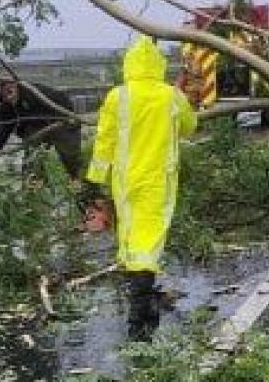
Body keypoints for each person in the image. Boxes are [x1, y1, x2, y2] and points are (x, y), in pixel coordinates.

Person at [85, 36, 197, 342]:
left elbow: (104, 141)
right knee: (148, 243)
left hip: (124, 182)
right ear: (158, 65)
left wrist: (95, 180)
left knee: (132, 238)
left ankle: (143, 305)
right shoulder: (171, 97)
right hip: (157, 182)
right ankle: (139, 315)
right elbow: (190, 127)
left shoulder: (117, 96)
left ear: (129, 65)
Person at [0, 80, 83, 181]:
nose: (8, 97)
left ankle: (80, 182)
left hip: (60, 121)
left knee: (70, 158)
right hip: (36, 127)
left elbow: (63, 100)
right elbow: (5, 128)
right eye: (4, 93)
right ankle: (35, 186)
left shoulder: (34, 92)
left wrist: (70, 119)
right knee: (32, 160)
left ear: (16, 86)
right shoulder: (6, 106)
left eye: (10, 91)